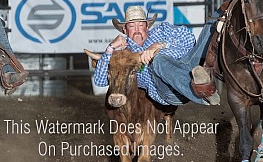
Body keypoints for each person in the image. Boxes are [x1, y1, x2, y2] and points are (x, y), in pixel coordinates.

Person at [92, 6, 220, 106]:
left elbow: (189, 39)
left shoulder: (162, 30)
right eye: (131, 26)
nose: (137, 29)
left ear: (147, 26)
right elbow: (100, 81)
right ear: (125, 30)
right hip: (168, 90)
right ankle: (204, 95)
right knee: (158, 61)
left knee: (214, 20)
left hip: (188, 65)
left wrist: (161, 45)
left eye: (141, 25)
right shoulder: (125, 55)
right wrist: (110, 48)